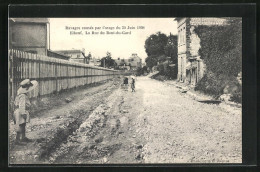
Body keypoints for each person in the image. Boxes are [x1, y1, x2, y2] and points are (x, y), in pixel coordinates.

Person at [13, 79, 38, 145]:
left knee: (23, 124)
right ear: (27, 88)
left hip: (22, 111)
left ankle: (23, 137)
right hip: (20, 112)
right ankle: (17, 140)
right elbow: (21, 105)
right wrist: (23, 113)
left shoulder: (22, 94)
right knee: (20, 125)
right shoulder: (22, 95)